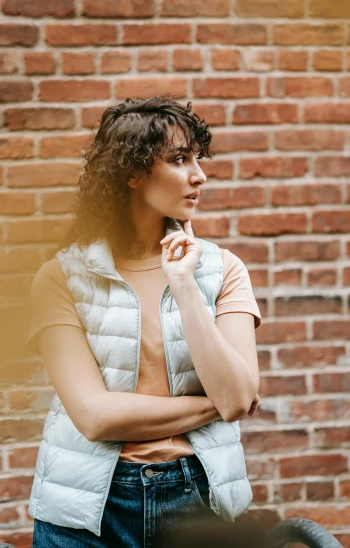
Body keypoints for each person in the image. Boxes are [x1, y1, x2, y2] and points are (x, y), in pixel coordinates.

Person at [27, 96, 262, 548]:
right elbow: (95, 417)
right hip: (87, 508)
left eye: (198, 158)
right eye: (179, 159)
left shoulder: (222, 269)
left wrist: (186, 286)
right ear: (131, 173)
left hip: (200, 499)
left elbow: (237, 396)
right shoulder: (61, 278)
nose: (199, 175)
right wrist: (217, 405)